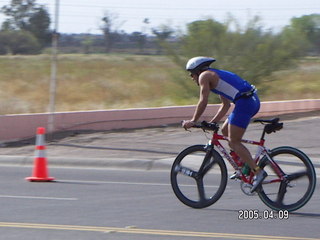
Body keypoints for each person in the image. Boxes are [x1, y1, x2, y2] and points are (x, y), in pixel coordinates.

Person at [182, 56, 267, 192]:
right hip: (250, 100)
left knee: (234, 141)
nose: (192, 78)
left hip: (245, 102)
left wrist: (193, 120)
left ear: (198, 71)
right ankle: (243, 166)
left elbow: (203, 101)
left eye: (191, 74)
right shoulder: (216, 76)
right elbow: (225, 105)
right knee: (225, 130)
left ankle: (258, 172)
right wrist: (212, 123)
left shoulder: (205, 76)